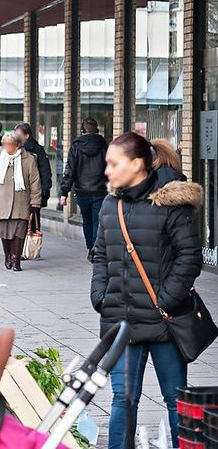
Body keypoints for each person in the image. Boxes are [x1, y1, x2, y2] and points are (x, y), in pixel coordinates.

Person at [91, 133, 203, 449]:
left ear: (137, 164)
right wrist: (99, 294)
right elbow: (100, 253)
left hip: (165, 321)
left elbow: (189, 255)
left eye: (114, 164)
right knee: (122, 400)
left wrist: (166, 299)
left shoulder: (171, 202)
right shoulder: (111, 204)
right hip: (121, 321)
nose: (108, 171)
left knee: (174, 399)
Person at [0, 133, 41, 271]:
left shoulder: (28, 159)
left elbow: (35, 182)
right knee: (5, 233)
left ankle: (16, 259)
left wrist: (35, 202)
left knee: (18, 232)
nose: (6, 147)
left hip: (21, 202)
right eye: (4, 144)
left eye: (9, 144)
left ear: (17, 145)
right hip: (0, 202)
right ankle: (7, 255)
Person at [60, 117, 108, 263]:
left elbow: (70, 170)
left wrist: (64, 192)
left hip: (81, 191)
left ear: (82, 131)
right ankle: (95, 249)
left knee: (87, 221)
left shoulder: (76, 146)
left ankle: (90, 248)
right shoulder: (104, 145)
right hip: (100, 190)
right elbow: (110, 167)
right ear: (97, 130)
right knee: (97, 221)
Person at [14, 123, 52, 229]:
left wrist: (45, 190)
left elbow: (45, 171)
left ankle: (31, 244)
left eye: (18, 134)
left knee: (33, 221)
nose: (16, 136)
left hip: (33, 191)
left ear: (26, 136)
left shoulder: (37, 150)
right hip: (18, 192)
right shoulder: (15, 149)